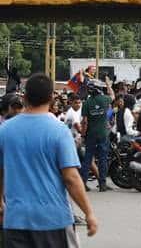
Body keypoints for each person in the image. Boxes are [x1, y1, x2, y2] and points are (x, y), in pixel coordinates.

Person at [0, 73, 98, 247]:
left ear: (24, 96)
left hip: (16, 220)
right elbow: (71, 178)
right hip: (53, 220)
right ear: (51, 98)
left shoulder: (5, 131)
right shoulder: (59, 131)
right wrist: (88, 212)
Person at [79, 79, 114, 192]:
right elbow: (112, 96)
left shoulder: (86, 103)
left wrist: (83, 134)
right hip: (103, 134)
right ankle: (102, 184)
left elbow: (84, 121)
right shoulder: (105, 99)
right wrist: (109, 85)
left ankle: (83, 183)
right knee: (103, 159)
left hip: (91, 135)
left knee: (88, 159)